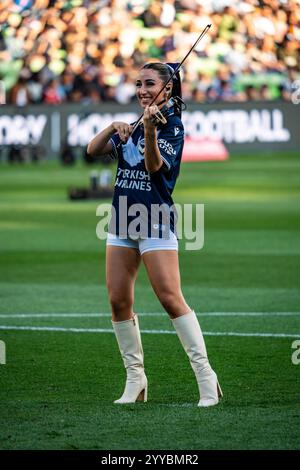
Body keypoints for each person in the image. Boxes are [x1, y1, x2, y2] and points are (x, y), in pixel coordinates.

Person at [87, 62, 222, 407]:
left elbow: (153, 167)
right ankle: (135, 380)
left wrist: (147, 130)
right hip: (121, 220)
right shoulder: (134, 124)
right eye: (138, 84)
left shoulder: (172, 127)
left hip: (155, 219)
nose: (143, 90)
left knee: (170, 298)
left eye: (150, 84)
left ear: (168, 89)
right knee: (118, 300)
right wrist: (113, 127)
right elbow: (92, 150)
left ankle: (207, 379)